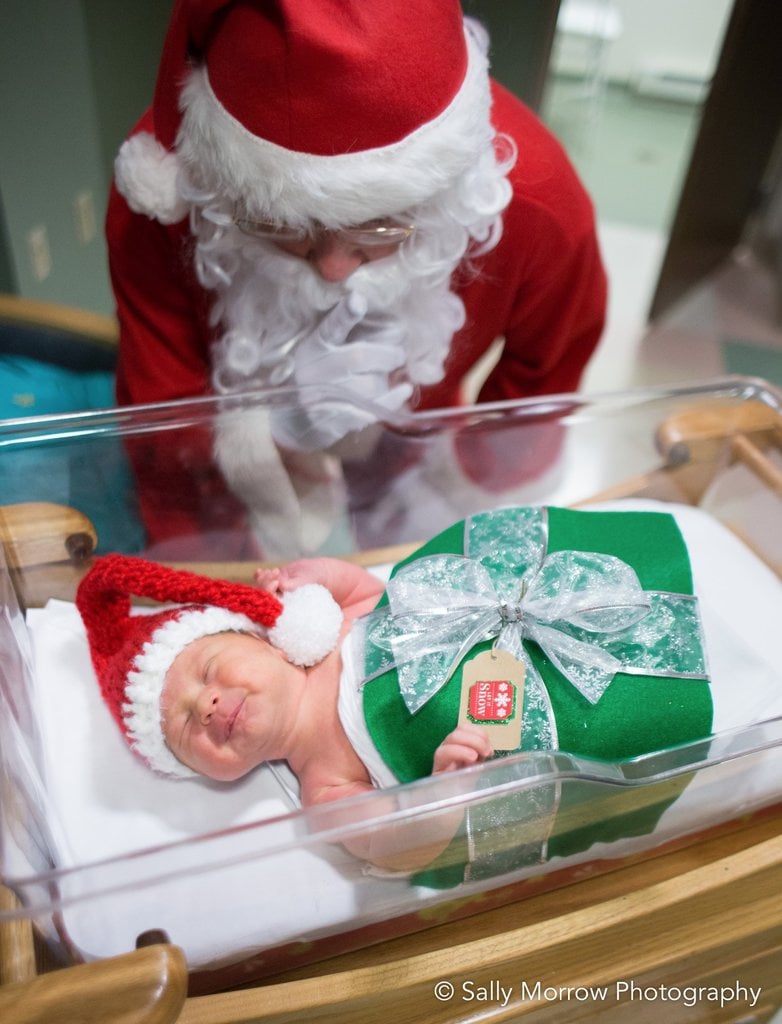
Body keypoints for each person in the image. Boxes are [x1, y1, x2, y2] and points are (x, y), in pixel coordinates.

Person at [106, 0, 607, 559]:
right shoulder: (163, 192)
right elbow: (158, 404)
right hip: (229, 486)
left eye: (381, 228)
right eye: (282, 227)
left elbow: (542, 381)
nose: (334, 268)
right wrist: (268, 436)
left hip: (421, 452)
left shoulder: (539, 201)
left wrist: (455, 490)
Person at [76, 504, 713, 875]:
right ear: (206, 773)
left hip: (500, 604)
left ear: (260, 634)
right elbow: (391, 844)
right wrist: (443, 792)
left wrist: (311, 576)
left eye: (210, 670)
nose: (208, 704)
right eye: (187, 728)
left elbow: (370, 589)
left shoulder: (334, 629)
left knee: (613, 590)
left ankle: (679, 578)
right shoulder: (323, 784)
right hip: (521, 713)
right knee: (619, 711)